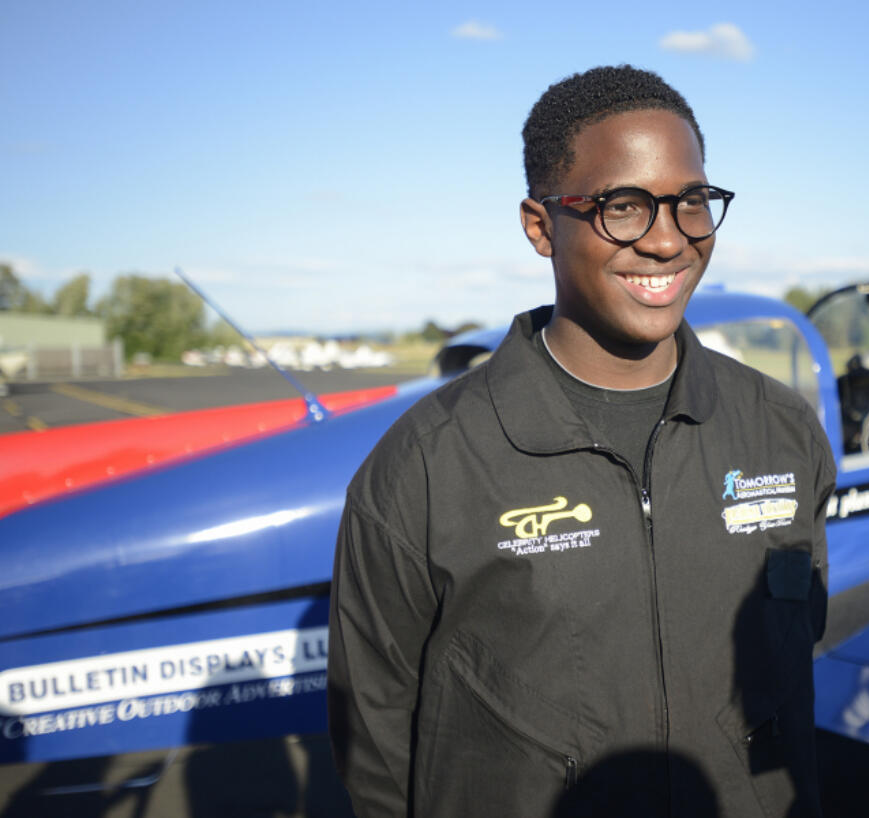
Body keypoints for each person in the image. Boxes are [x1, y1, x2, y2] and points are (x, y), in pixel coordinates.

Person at [328, 65, 836, 817]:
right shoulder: (424, 468)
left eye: (691, 202)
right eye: (622, 207)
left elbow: (795, 675)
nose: (667, 240)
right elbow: (373, 747)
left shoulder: (781, 431)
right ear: (541, 227)